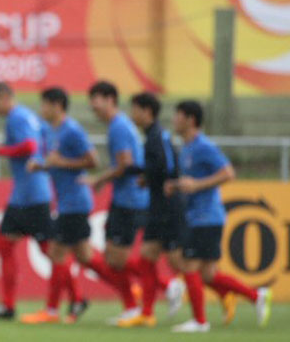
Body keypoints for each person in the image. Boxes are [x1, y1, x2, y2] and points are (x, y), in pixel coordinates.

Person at [0, 82, 83, 322]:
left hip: (33, 195)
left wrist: (2, 150)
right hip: (24, 195)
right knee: (5, 245)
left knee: (51, 250)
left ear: (3, 96)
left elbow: (30, 146)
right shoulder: (24, 116)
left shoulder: (18, 117)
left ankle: (77, 297)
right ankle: (7, 305)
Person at [166, 100, 272, 333]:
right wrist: (176, 185)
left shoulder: (203, 146)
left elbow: (228, 173)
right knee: (208, 274)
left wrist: (196, 185)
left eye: (178, 116)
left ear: (190, 120)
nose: (174, 120)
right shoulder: (187, 148)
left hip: (206, 217)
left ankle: (200, 322)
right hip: (200, 216)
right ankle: (256, 295)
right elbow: (192, 182)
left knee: (188, 264)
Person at [23, 87, 96, 324]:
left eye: (44, 104)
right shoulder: (53, 131)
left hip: (75, 202)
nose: (41, 109)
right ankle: (128, 286)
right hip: (67, 203)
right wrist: (42, 165)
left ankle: (53, 310)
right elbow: (56, 163)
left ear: (56, 105)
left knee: (56, 252)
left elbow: (93, 161)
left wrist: (60, 162)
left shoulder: (71, 130)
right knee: (85, 256)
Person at [117, 92, 187, 328]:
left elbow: (167, 166)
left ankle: (217, 296)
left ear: (147, 111)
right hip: (158, 205)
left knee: (182, 263)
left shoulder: (157, 135)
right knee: (147, 257)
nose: (132, 114)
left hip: (166, 207)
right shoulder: (153, 136)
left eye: (135, 109)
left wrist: (147, 175)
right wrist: (145, 175)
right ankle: (147, 312)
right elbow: (159, 166)